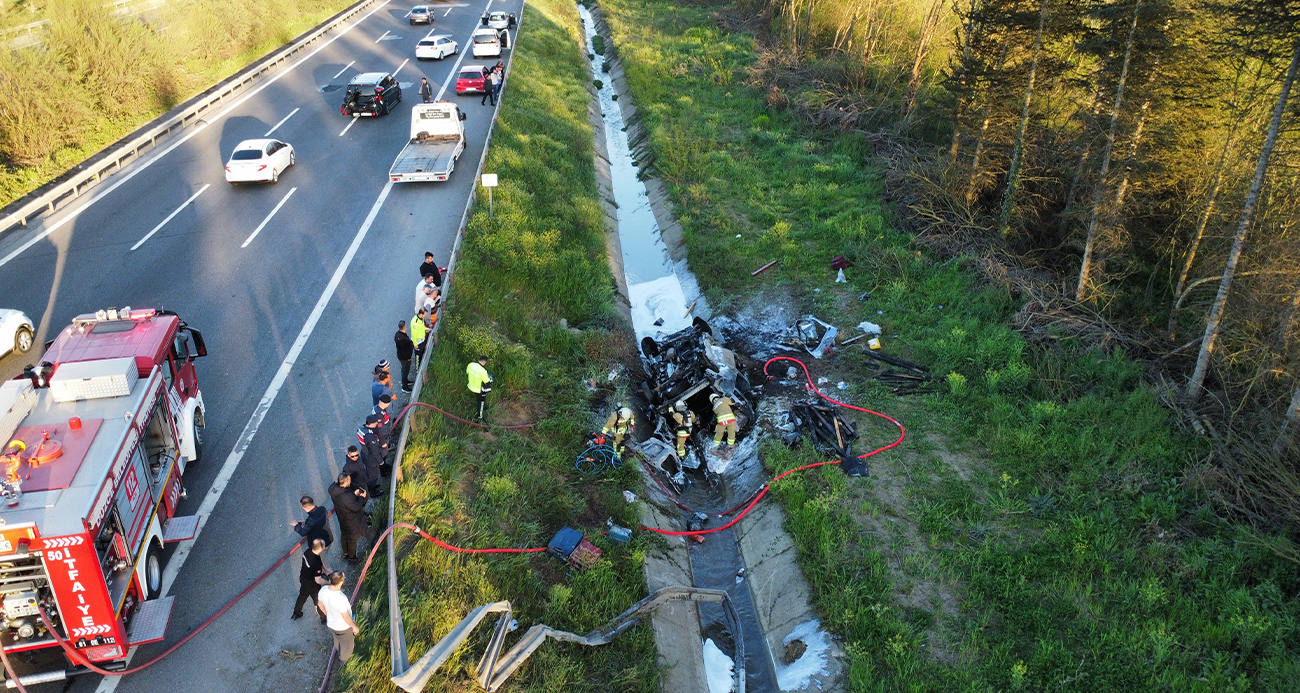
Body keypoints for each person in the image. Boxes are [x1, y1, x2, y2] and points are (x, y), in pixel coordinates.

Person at [317, 571, 360, 663]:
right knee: (347, 646)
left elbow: (319, 604)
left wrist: (327, 613)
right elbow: (346, 617)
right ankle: (343, 661)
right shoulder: (341, 598)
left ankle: (337, 649)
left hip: (331, 624)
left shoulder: (323, 590)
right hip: (343, 628)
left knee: (337, 638)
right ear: (341, 582)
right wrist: (354, 627)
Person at [328, 473, 369, 560]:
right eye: (349, 480)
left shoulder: (334, 490)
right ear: (345, 482)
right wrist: (361, 497)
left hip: (342, 517)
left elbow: (347, 503)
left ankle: (345, 552)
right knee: (353, 539)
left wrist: (353, 494)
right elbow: (356, 507)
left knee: (344, 535)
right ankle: (351, 557)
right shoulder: (346, 497)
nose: (350, 481)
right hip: (351, 520)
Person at [292, 539, 329, 622]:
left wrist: (327, 570)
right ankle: (323, 617)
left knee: (303, 595)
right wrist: (328, 582)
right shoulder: (315, 563)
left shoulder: (308, 552)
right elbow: (318, 580)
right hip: (312, 584)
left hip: (303, 578)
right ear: (320, 549)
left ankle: (297, 612)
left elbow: (321, 563)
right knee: (318, 601)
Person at [357, 415, 385, 495]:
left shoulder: (361, 429)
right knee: (373, 475)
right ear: (372, 424)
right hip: (371, 459)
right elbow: (375, 451)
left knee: (369, 472)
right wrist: (380, 461)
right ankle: (373, 491)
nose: (377, 424)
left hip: (365, 454)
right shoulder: (370, 436)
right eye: (376, 423)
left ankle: (371, 486)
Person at [466, 355, 493, 421]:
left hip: (471, 386)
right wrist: (490, 379)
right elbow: (487, 381)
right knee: (480, 403)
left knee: (480, 400)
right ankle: (480, 417)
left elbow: (467, 373)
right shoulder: (482, 371)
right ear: (484, 362)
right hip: (478, 390)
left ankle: (484, 406)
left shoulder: (470, 365)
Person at [373, 394, 393, 464]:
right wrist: (383, 443)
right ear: (386, 404)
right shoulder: (380, 416)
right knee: (383, 453)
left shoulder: (376, 408)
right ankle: (382, 464)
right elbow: (380, 431)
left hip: (382, 435)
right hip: (382, 437)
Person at [395, 321, 415, 392]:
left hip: (400, 356)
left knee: (404, 370)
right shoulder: (403, 339)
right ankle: (404, 386)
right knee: (405, 370)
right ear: (404, 327)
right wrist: (408, 357)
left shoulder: (397, 334)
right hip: (404, 358)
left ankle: (405, 381)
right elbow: (405, 350)